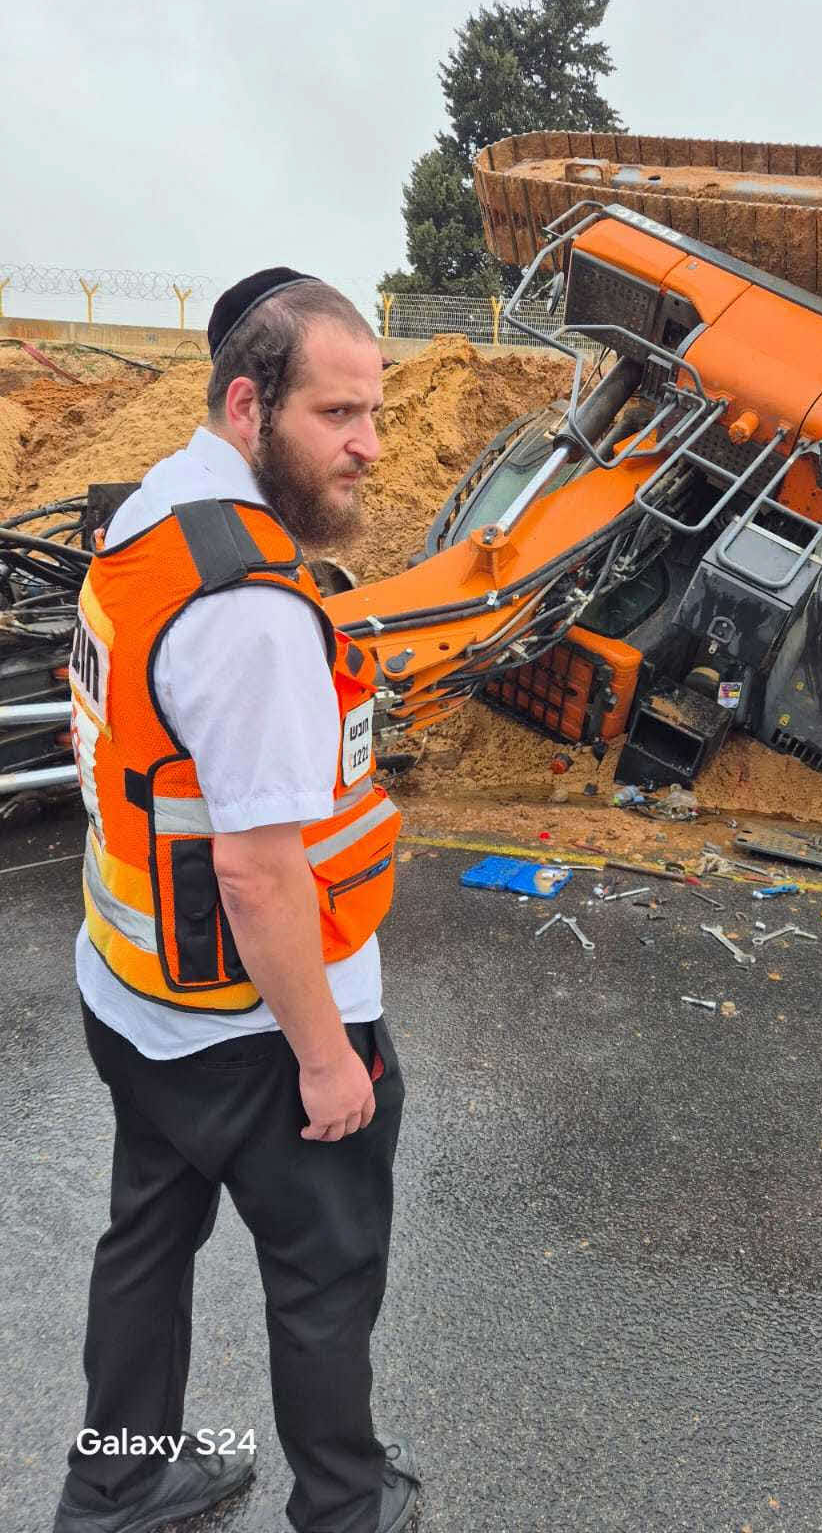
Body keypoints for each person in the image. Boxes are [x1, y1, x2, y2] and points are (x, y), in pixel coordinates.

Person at [53, 270, 420, 1533]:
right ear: (252, 403)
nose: (369, 444)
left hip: (134, 996)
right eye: (338, 414)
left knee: (145, 1247)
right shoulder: (255, 614)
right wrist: (329, 1063)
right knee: (325, 1281)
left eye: (374, 413)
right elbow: (260, 874)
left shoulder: (147, 517)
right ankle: (345, 1510)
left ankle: (116, 1483)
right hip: (256, 1031)